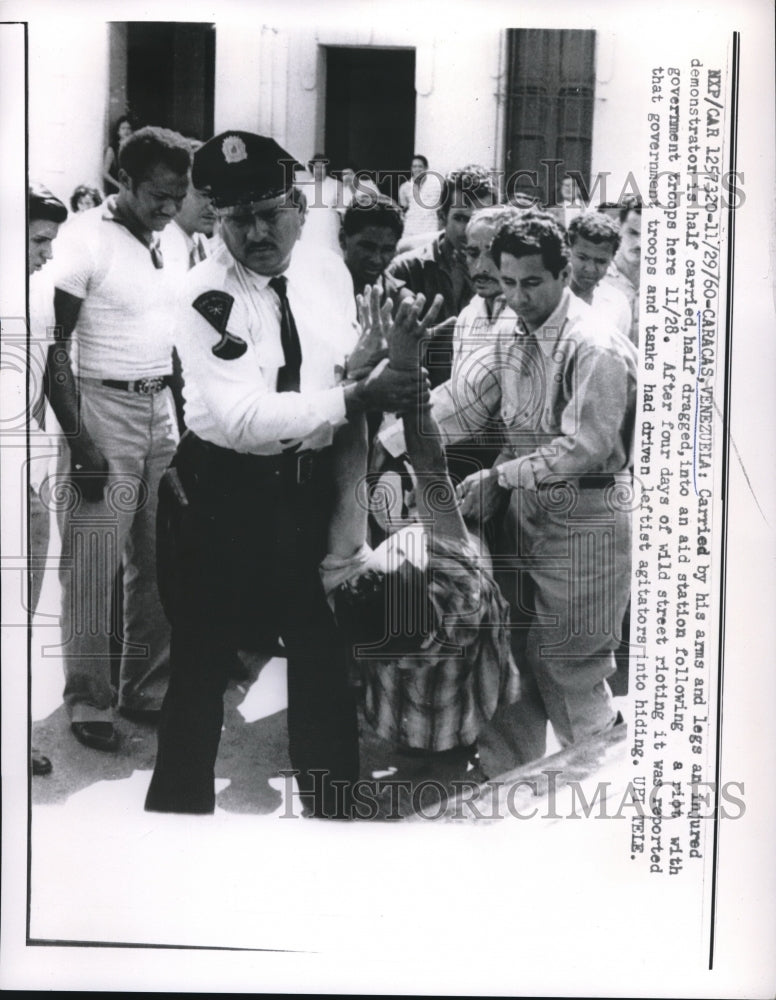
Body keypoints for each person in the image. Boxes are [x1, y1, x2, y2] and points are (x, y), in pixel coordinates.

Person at [144, 130, 430, 819]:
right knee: (201, 676)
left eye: (271, 210)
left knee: (324, 657)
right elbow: (242, 416)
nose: (256, 231)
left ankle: (334, 816)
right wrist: (355, 395)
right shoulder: (205, 294)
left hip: (302, 493)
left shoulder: (324, 273)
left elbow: (320, 373)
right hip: (220, 497)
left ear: (300, 208)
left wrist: (357, 368)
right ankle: (173, 835)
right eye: (235, 216)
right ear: (215, 217)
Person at [398, 211, 637, 774]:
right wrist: (385, 431)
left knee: (570, 667)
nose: (517, 296)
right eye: (507, 283)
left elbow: (584, 447)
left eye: (531, 283)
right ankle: (506, 786)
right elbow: (460, 403)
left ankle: (599, 798)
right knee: (510, 657)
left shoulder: (593, 344)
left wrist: (500, 477)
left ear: (562, 274)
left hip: (588, 519)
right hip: (524, 513)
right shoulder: (508, 331)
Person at [320, 289, 520, 766]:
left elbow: (350, 475)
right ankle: (455, 754)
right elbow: (430, 463)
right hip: (460, 712)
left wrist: (359, 382)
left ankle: (416, 753)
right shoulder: (459, 590)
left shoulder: (347, 593)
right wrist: (408, 372)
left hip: (395, 715)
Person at [47, 126, 191, 753]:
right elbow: (51, 347)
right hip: (100, 406)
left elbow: (178, 338)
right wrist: (81, 442)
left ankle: (148, 689)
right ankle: (88, 699)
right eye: (158, 193)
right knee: (93, 564)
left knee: (161, 561)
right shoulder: (84, 238)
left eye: (178, 194)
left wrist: (180, 426)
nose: (170, 205)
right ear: (123, 182)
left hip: (161, 408)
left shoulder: (177, 238)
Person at [387, 164, 499, 386]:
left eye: (480, 219)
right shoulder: (406, 269)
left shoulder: (509, 275)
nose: (471, 229)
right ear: (441, 216)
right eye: (461, 218)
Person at [27, 183, 69, 777]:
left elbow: (47, 373)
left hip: (28, 472)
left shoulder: (38, 296)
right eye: (38, 241)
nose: (46, 253)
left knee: (20, 610)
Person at [567, 211, 633, 341]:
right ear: (568, 251)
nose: (590, 268)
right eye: (582, 258)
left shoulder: (618, 303)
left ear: (612, 259)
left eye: (600, 261)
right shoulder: (548, 298)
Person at [339, 194, 404, 300]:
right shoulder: (315, 289)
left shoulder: (403, 303)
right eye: (367, 247)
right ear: (342, 239)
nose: (376, 260)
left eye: (387, 250)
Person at [601, 196, 641, 345]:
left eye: (649, 236)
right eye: (633, 233)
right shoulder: (598, 277)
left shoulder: (665, 280)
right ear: (618, 227)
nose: (640, 243)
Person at [297, 152, 343, 255]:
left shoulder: (337, 185)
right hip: (311, 228)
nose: (319, 170)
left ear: (327, 169)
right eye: (316, 167)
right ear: (312, 168)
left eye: (322, 167)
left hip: (330, 228)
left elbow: (342, 211)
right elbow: (303, 211)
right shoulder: (306, 187)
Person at [397, 154, 442, 244]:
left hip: (430, 230)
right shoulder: (405, 187)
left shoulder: (437, 185)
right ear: (411, 168)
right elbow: (403, 209)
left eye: (420, 166)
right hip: (410, 230)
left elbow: (442, 207)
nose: (417, 169)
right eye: (414, 166)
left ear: (426, 168)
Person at [102, 114, 134, 195]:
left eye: (129, 128)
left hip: (132, 191)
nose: (126, 131)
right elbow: (105, 173)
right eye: (123, 128)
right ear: (118, 131)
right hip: (117, 191)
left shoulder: (135, 148)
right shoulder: (112, 149)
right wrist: (118, 185)